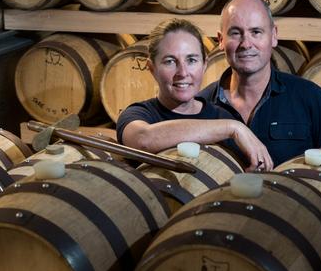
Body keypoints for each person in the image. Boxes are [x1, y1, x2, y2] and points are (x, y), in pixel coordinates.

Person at [200, 0, 321, 166]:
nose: (246, 43)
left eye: (256, 32)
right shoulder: (202, 105)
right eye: (236, 33)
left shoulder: (311, 98)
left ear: (274, 35)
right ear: (221, 40)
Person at [116, 18, 273, 171]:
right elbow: (143, 140)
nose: (183, 73)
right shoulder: (138, 114)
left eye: (191, 60)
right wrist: (232, 128)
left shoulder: (221, 116)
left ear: (204, 65)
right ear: (152, 68)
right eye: (170, 61)